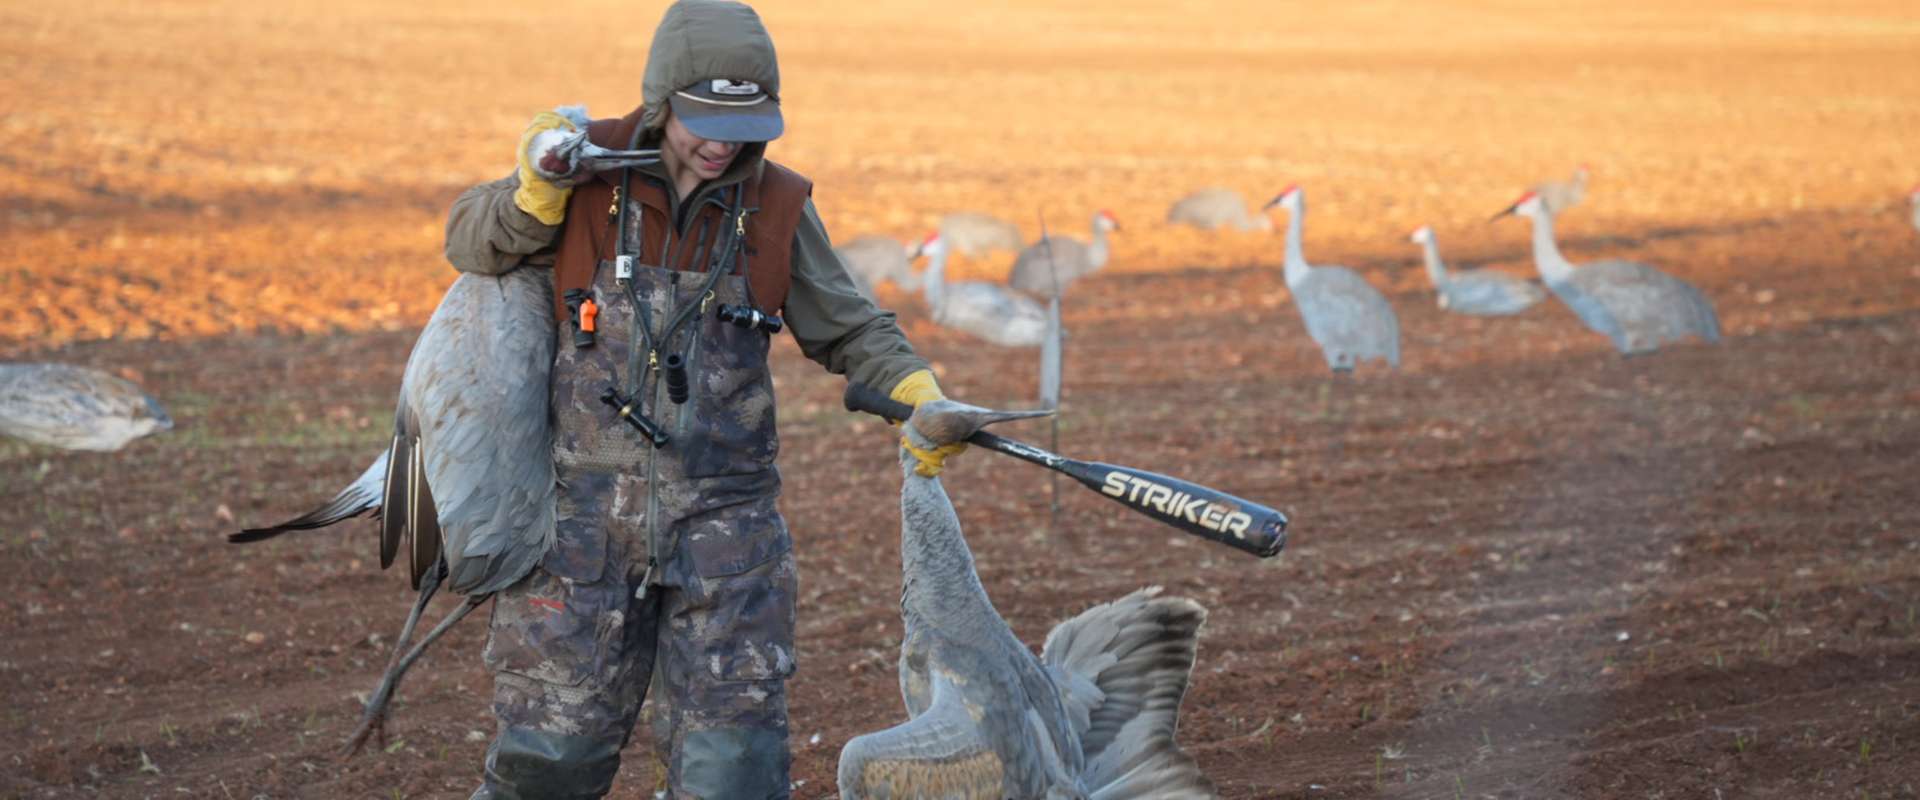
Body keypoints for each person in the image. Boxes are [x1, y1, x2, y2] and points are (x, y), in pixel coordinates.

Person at [441, 1, 965, 797]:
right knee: (548, 770)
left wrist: (915, 389)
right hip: (580, 542)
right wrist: (534, 195)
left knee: (735, 776)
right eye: (704, 120)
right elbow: (470, 244)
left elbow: (848, 325)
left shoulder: (776, 204)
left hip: (728, 543)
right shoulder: (581, 168)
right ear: (661, 103)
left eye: (747, 122)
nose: (724, 142)